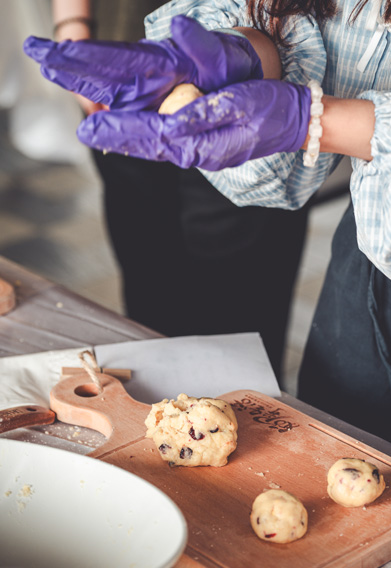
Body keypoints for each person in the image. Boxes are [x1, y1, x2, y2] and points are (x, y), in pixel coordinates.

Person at [25, 0, 391, 465]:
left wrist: (311, 121)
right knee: (331, 446)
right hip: (368, 247)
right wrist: (249, 52)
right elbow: (326, 30)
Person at [48, 0, 313, 384]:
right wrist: (72, 22)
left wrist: (251, 53)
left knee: (243, 305)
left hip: (252, 79)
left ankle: (248, 418)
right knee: (149, 283)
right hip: (123, 70)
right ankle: (158, 422)